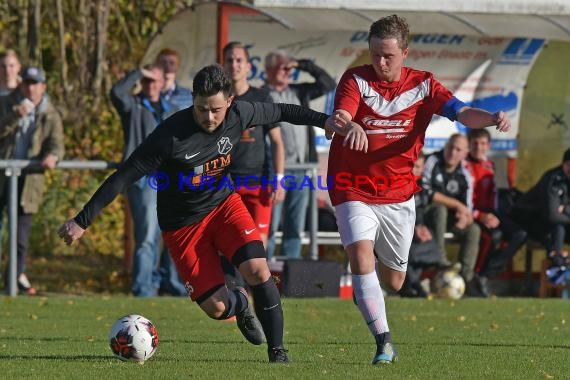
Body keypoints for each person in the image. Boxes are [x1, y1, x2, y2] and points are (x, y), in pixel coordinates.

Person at [58, 64, 364, 363]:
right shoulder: (170, 135)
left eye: (216, 109)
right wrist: (82, 220)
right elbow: (124, 176)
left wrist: (326, 121)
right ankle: (241, 303)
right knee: (217, 308)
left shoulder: (241, 113)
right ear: (193, 100)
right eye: (202, 108)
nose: (209, 116)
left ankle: (278, 353)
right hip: (182, 227)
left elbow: (284, 110)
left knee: (259, 270)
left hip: (223, 207)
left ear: (230, 102)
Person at [326, 15, 511, 364]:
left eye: (388, 56)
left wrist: (490, 118)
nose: (380, 62)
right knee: (360, 258)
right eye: (375, 54)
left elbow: (462, 112)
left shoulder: (424, 85)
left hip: (398, 194)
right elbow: (344, 114)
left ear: (405, 53)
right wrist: (347, 124)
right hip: (353, 187)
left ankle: (369, 291)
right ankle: (383, 343)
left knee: (394, 281)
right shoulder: (355, 79)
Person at [110, 64, 177, 297]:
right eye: (146, 81)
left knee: (171, 234)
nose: (150, 85)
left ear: (162, 83)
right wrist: (139, 72)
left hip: (169, 180)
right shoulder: (134, 105)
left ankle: (167, 284)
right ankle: (143, 289)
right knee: (147, 237)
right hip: (143, 179)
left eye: (154, 80)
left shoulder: (170, 108)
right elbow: (117, 93)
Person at [264, 50, 336, 259]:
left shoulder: (299, 91)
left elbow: (327, 83)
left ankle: (288, 276)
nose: (286, 72)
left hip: (302, 170)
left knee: (295, 227)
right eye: (281, 67)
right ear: (268, 70)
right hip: (275, 172)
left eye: (288, 68)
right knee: (270, 225)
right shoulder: (261, 95)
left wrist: (300, 64)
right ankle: (260, 274)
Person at [0, 66, 64, 294]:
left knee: (20, 239)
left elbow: (56, 142)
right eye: (27, 82)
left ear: (43, 86)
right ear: (21, 84)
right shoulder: (6, 103)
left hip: (29, 181)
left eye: (35, 82)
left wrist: (53, 155)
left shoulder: (50, 113)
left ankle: (12, 283)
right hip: (3, 176)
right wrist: (14, 116)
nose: (31, 87)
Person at [223, 41, 285, 247]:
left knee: (257, 248)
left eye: (239, 60)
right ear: (223, 65)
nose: (234, 65)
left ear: (249, 66)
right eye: (230, 60)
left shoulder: (261, 98)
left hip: (257, 183)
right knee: (227, 246)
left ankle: (257, 281)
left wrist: (279, 179)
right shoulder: (216, 100)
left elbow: (276, 141)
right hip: (224, 184)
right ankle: (231, 281)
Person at [423, 134, 488, 297]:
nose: (452, 152)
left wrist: (464, 217)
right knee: (440, 209)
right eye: (450, 147)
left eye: (458, 149)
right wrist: (458, 205)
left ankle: (466, 277)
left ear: (464, 153)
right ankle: (440, 260)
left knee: (473, 229)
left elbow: (468, 206)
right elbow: (427, 192)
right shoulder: (433, 161)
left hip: (450, 220)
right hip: (426, 216)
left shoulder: (465, 172)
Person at [466, 128, 527, 292]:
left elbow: (493, 195)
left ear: (488, 145)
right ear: (469, 145)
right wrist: (481, 215)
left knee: (519, 234)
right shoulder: (463, 165)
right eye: (475, 143)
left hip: (490, 213)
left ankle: (485, 274)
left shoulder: (489, 165)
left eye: (483, 143)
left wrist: (494, 214)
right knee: (493, 236)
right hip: (472, 214)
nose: (479, 147)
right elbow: (463, 200)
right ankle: (474, 278)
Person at [155, 48, 193, 296]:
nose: (168, 66)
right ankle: (150, 283)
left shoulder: (184, 96)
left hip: (178, 170)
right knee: (149, 235)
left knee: (176, 228)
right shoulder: (147, 93)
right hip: (152, 169)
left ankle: (174, 281)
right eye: (163, 63)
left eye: (172, 62)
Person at [513, 148, 570, 264]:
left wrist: (565, 209)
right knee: (558, 228)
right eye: (569, 164)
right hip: (532, 219)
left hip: (560, 221)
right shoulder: (553, 178)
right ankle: (557, 267)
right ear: (564, 164)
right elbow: (552, 215)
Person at [399, 153, 442, 298]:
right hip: (400, 228)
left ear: (423, 168)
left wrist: (423, 227)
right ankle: (414, 285)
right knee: (409, 250)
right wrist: (415, 227)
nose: (414, 170)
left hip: (418, 229)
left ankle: (413, 285)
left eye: (417, 167)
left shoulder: (422, 187)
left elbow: (422, 210)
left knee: (423, 251)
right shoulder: (398, 184)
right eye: (411, 166)